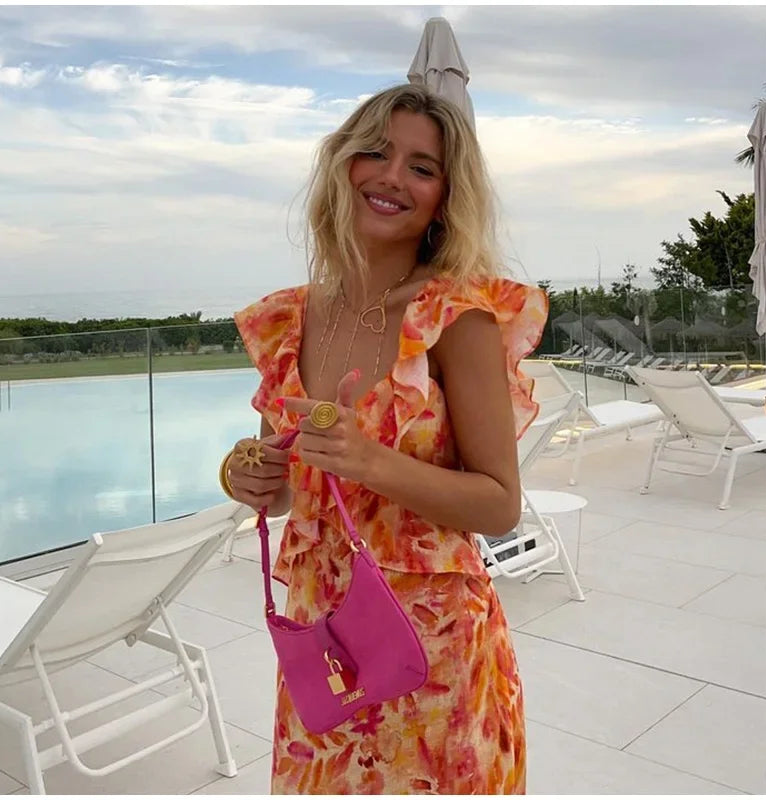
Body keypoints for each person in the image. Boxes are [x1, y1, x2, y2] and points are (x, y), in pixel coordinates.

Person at [227, 84, 547, 794]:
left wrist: (371, 460)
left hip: (435, 656)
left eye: (421, 167)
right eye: (375, 152)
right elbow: (281, 489)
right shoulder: (287, 321)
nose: (392, 176)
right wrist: (247, 477)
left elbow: (500, 505)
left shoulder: (453, 318)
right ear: (342, 164)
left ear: (444, 196)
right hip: (324, 652)